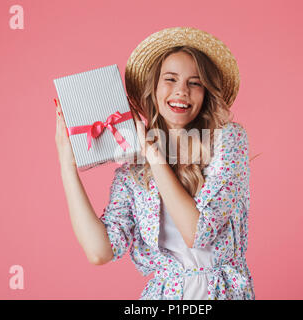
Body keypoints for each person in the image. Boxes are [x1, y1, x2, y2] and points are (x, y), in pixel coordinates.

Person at [55, 27, 255, 300]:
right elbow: (99, 252)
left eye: (195, 83)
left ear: (206, 92)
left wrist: (151, 152)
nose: (181, 91)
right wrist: (67, 163)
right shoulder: (133, 174)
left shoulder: (227, 141)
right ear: (154, 89)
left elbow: (199, 233)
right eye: (170, 79)